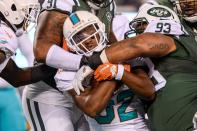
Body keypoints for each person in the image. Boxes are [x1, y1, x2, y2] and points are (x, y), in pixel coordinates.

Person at [74, 2, 197, 131]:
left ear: (162, 24)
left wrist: (92, 62)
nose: (138, 34)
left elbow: (139, 44)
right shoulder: (156, 60)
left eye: (141, 27)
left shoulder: (177, 41)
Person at [22, 0, 116, 131]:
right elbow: (42, 50)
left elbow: (107, 38)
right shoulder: (63, 2)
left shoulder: (109, 4)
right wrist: (86, 62)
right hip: (51, 92)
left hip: (85, 90)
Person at [55, 10, 155, 131]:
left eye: (89, 30)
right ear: (71, 44)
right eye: (79, 36)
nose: (87, 39)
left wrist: (116, 71)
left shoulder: (124, 52)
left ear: (101, 28)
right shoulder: (67, 72)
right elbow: (92, 108)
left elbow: (149, 92)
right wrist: (115, 69)